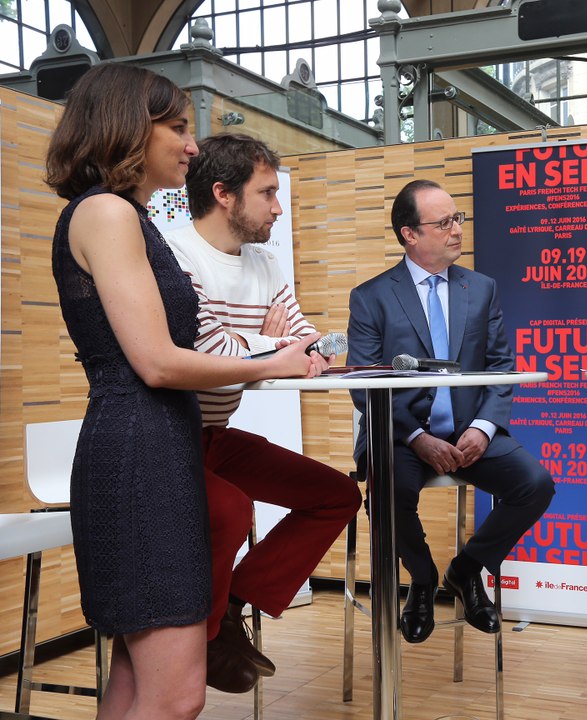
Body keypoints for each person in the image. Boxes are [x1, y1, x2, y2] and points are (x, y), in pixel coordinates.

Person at [46, 64, 321, 720]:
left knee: (137, 687)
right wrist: (269, 363)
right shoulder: (108, 213)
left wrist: (261, 355)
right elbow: (158, 363)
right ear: (125, 129)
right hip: (140, 455)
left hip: (154, 448)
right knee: (175, 697)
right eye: (176, 127)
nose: (192, 145)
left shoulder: (125, 217)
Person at [163, 133, 364, 693]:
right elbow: (210, 354)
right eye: (268, 193)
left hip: (215, 433)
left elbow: (318, 345)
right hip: (168, 437)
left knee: (337, 495)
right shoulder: (176, 256)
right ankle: (203, 640)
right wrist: (268, 351)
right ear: (224, 193)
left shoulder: (267, 260)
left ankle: (229, 613)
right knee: (230, 509)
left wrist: (263, 350)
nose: (279, 206)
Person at [347, 179, 555, 644]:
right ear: (409, 234)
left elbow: (501, 367)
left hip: (468, 431)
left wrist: (483, 428)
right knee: (387, 492)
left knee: (535, 484)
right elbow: (363, 384)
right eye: (443, 223)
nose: (457, 230)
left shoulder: (480, 289)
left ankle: (466, 569)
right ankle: (421, 579)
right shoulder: (371, 297)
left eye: (458, 219)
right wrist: (417, 438)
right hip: (400, 433)